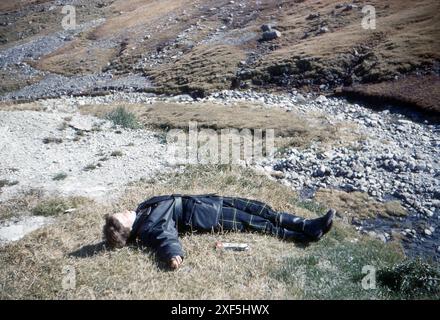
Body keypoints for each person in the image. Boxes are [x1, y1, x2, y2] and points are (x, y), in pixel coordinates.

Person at [103, 194, 335, 270]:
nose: (124, 210)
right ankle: (304, 234)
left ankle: (306, 224)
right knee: (258, 223)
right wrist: (173, 255)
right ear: (128, 229)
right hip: (207, 216)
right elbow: (166, 238)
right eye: (122, 216)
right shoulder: (150, 227)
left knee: (260, 208)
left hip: (207, 202)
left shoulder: (143, 210)